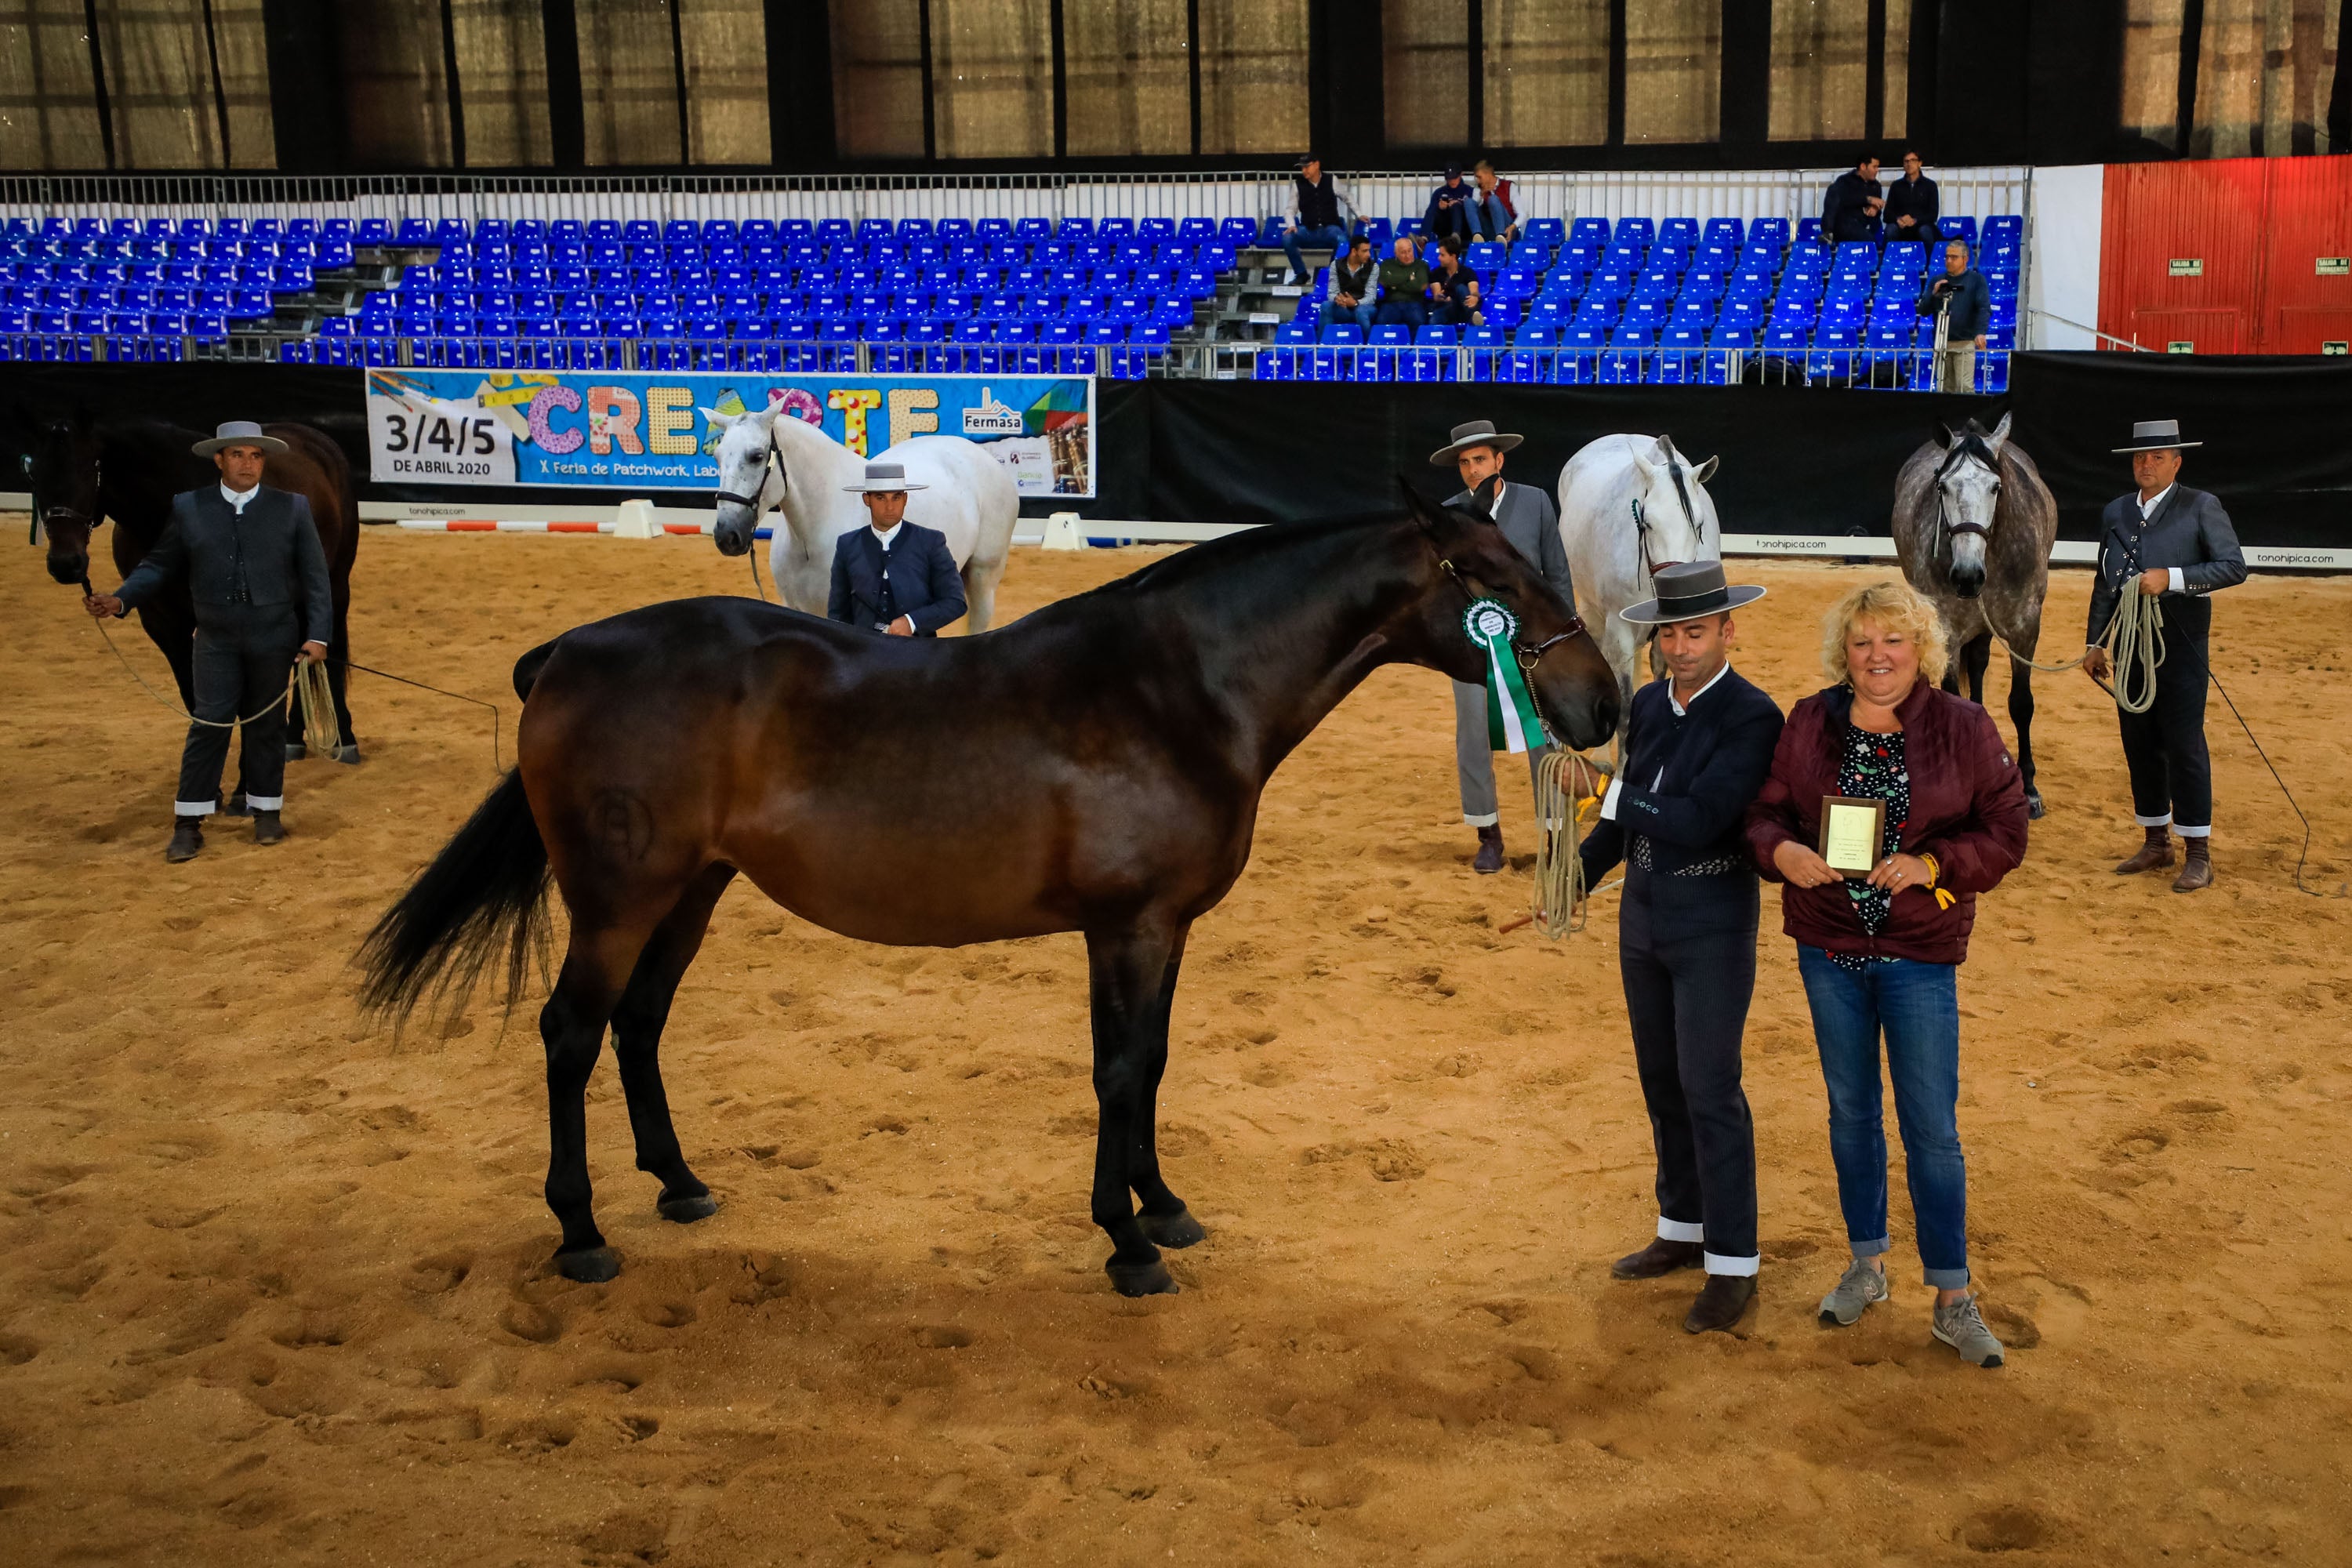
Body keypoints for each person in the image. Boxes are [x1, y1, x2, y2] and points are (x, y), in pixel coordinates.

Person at [1745, 579, 2029, 1370]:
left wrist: (1935, 860)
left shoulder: (1965, 725)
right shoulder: (1809, 719)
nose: (1877, 657)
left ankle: (1951, 1294)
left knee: (1933, 1129)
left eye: (1893, 641)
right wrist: (1782, 851)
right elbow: (1764, 814)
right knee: (1850, 1112)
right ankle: (1867, 1263)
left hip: (1919, 955)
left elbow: (2005, 828)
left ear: (1921, 648)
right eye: (1863, 641)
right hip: (1828, 948)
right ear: (1846, 649)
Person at [1581, 562, 1784, 1335]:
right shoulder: (1645, 703)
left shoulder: (1754, 716)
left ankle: (1734, 1265)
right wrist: (1583, 868)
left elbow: (1698, 818)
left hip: (1712, 913)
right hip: (1645, 909)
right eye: (1669, 632)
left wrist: (1605, 793)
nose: (1680, 645)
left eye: (1695, 630)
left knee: (1709, 1085)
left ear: (1728, 630)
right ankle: (1683, 1226)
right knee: (1663, 1079)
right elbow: (1628, 815)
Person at [82, 421, 331, 863]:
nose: (247, 464)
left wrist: (316, 635)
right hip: (214, 637)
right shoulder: (189, 507)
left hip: (274, 635)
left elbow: (316, 580)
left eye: (256, 456)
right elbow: (158, 565)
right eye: (237, 455)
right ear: (219, 460)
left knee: (266, 726)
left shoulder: (292, 508)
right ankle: (188, 822)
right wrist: (121, 600)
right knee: (208, 723)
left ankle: (265, 810)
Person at [2082, 419, 2246, 892]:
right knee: (2139, 739)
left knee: (2184, 741)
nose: (2146, 465)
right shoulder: (2115, 511)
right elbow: (2105, 582)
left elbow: (2233, 566)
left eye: (2157, 457)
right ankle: (2156, 840)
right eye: (2139, 457)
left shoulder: (2201, 506)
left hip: (2182, 638)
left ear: (2177, 462)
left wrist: (2171, 578)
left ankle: (2198, 850)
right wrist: (2096, 642)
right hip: (2131, 642)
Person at [1428, 419, 1573, 873]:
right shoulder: (1447, 513)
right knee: (1472, 736)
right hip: (1472, 645)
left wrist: (1563, 638)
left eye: (1480, 460)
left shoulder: (1535, 502)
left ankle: (1552, 834)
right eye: (1465, 463)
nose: (1473, 470)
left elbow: (1558, 574)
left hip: (1535, 646)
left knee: (1544, 739)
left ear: (1499, 460)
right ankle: (1487, 834)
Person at [827, 462, 966, 638]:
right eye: (880, 498)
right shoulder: (847, 545)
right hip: (863, 655)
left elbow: (955, 601)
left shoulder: (931, 542)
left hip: (918, 653)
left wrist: (912, 621)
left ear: (905, 499)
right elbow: (838, 613)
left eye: (896, 497)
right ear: (866, 499)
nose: (890, 507)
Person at [1917, 239, 1989, 392]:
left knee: (1964, 387)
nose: (1949, 260)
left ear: (1965, 259)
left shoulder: (1976, 280)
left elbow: (1984, 308)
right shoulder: (1937, 280)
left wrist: (1980, 332)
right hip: (1941, 343)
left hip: (1965, 342)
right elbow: (1923, 310)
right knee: (1944, 388)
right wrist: (1934, 294)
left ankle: (1968, 416)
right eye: (1947, 257)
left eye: (1954, 257)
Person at [1282, 154, 1356, 289]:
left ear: (1317, 165)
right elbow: (1290, 209)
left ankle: (1332, 275)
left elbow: (1347, 197)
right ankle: (1301, 274)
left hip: (1330, 228)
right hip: (1308, 229)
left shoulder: (1331, 180)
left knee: (1343, 240)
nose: (1304, 171)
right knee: (1287, 239)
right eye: (1302, 168)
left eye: (1307, 167)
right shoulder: (1298, 185)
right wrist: (1291, 225)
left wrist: (1360, 214)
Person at [1823, 156, 1885, 244]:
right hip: (1845, 223)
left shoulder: (1876, 186)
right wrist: (1867, 199)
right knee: (1833, 190)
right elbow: (1843, 200)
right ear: (1863, 166)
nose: (1877, 170)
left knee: (1871, 236)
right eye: (1874, 167)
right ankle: (1828, 232)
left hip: (1866, 224)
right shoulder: (1845, 181)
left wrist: (1875, 209)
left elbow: (1878, 210)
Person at [1427, 232, 1483, 327]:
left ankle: (1473, 318)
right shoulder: (1436, 273)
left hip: (1463, 308)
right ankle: (1473, 318)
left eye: (1442, 255)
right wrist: (1442, 298)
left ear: (1453, 257)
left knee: (1461, 288)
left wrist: (1474, 297)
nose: (1439, 258)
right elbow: (1436, 295)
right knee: (1435, 319)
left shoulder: (1468, 272)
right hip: (1447, 308)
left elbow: (1474, 291)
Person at [1375, 236, 1431, 329]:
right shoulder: (1386, 264)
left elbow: (1421, 286)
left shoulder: (1421, 265)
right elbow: (1385, 281)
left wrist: (1394, 285)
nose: (1408, 255)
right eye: (1403, 252)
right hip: (1391, 303)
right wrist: (1410, 277)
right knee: (1381, 323)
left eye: (1410, 251)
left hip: (1414, 303)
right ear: (1396, 253)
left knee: (1419, 322)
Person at [1885, 150, 1940, 241]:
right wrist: (1898, 219)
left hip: (1921, 225)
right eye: (1906, 161)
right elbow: (1887, 214)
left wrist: (1915, 221)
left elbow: (1933, 215)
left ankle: (1928, 255)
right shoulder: (1896, 186)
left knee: (1925, 231)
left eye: (1913, 160)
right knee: (1890, 230)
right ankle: (1888, 255)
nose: (1909, 164)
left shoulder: (1930, 185)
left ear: (1920, 163)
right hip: (1901, 227)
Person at [1329, 232, 1379, 332]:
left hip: (1365, 307)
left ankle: (1367, 346)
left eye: (1369, 251)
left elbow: (1371, 297)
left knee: (1361, 311)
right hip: (1343, 307)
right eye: (1365, 251)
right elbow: (1332, 292)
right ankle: (1323, 345)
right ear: (1354, 251)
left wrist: (1356, 303)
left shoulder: (1374, 267)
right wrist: (1337, 299)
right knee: (1326, 306)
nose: (1369, 255)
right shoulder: (1336, 265)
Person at [1421, 165, 1476, 246]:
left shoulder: (1470, 191)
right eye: (1449, 179)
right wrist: (1440, 208)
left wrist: (1460, 204)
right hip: (1445, 227)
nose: (1452, 181)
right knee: (1433, 209)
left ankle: (1456, 236)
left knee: (1456, 207)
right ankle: (1423, 239)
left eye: (1455, 178)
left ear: (1461, 175)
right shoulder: (1439, 192)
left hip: (1464, 228)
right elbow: (1431, 212)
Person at [1469, 160, 1519, 243]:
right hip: (1488, 229)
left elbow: (1523, 214)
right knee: (1469, 202)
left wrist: (1512, 227)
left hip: (1507, 229)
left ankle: (1501, 236)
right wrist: (1482, 195)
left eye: (1479, 177)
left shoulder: (1509, 186)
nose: (1478, 181)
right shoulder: (1478, 190)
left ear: (1488, 174)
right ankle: (1477, 235)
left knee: (1493, 199)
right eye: (1476, 178)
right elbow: (1473, 212)